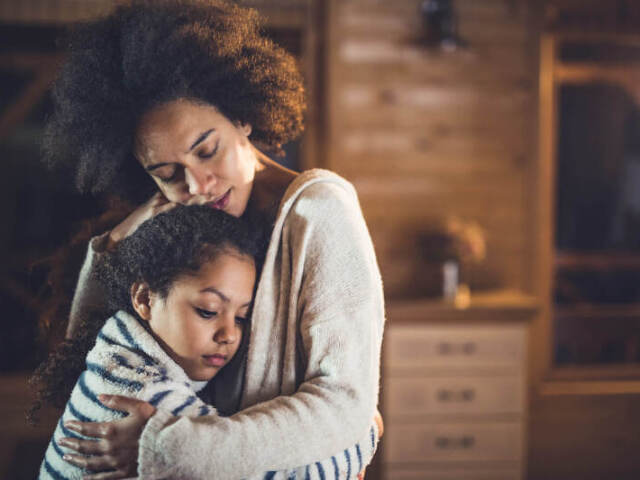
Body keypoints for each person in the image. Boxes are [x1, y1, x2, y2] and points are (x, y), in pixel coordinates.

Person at [42, 1, 385, 478]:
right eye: (168, 173)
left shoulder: (320, 212)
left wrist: (172, 449)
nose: (198, 185)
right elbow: (84, 364)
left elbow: (345, 404)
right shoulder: (181, 222)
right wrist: (114, 247)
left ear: (242, 118)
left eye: (208, 150)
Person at [34, 205, 376, 480]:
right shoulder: (143, 396)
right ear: (144, 298)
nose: (229, 334)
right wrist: (367, 431)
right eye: (208, 311)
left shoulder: (115, 353)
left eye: (241, 317)